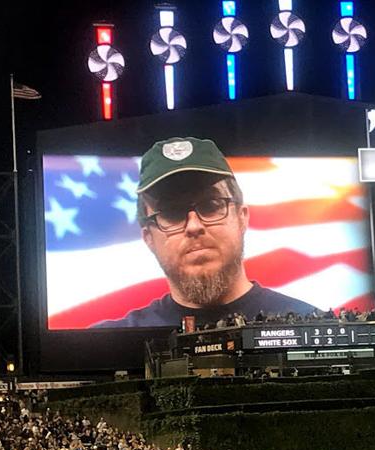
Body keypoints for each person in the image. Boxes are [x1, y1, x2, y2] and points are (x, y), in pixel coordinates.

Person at [93, 137, 318, 328]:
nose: (194, 226)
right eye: (172, 212)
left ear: (242, 218)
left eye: (211, 205)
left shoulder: (313, 327)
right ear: (148, 238)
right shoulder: (107, 345)